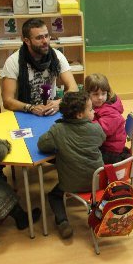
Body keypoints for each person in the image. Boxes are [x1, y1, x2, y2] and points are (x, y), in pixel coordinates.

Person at [37, 92, 105, 239]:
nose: (93, 111)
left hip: (70, 184)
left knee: (54, 195)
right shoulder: (96, 129)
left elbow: (42, 144)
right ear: (80, 115)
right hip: (98, 182)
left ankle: (62, 221)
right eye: (90, 109)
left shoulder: (58, 130)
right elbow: (101, 140)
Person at [0, 18, 78, 116]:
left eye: (46, 36)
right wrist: (31, 108)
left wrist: (59, 103)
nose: (45, 41)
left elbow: (74, 88)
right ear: (27, 41)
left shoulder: (57, 56)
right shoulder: (13, 62)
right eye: (39, 38)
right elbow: (7, 101)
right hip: (24, 112)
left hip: (51, 110)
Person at [84, 73, 128, 164]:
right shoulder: (98, 106)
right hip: (106, 144)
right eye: (96, 94)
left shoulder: (110, 112)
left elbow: (100, 131)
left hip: (111, 151)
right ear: (88, 94)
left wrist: (86, 121)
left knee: (82, 157)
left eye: (103, 94)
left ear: (107, 93)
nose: (100, 97)